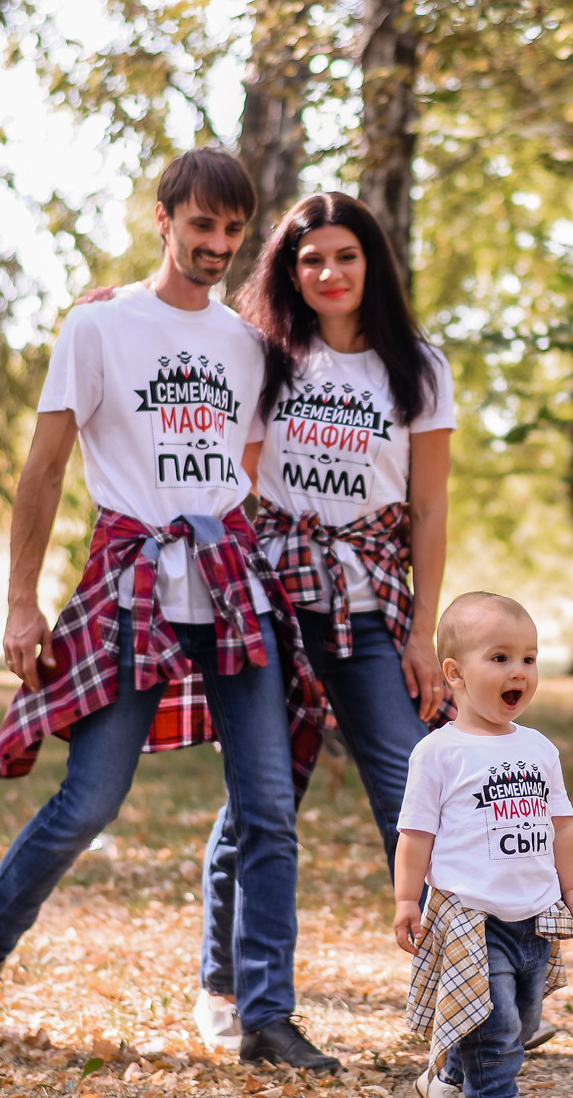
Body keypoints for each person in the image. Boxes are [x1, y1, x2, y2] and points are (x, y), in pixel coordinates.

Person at [0, 146, 341, 1073]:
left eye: (234, 231)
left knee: (269, 803)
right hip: (131, 581)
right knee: (90, 798)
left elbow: (250, 468)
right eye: (202, 225)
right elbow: (42, 469)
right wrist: (19, 602)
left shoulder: (245, 347)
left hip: (228, 581)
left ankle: (266, 1014)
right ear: (163, 219)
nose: (218, 244)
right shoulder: (99, 327)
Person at [195, 192, 456, 1052]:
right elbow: (173, 345)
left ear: (370, 263)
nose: (330, 273)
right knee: (264, 797)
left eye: (345, 256)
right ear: (291, 272)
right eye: (311, 260)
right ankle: (232, 988)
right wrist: (107, 307)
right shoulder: (265, 356)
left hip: (371, 595)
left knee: (416, 786)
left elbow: (430, 508)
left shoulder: (416, 366)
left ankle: (464, 996)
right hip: (272, 586)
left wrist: (421, 629)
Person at [393, 592, 573, 1098]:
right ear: (455, 674)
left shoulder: (539, 749)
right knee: (498, 1026)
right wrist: (404, 900)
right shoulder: (439, 753)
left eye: (529, 658)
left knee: (522, 1020)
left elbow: (561, 827)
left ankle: (445, 1079)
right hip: (471, 914)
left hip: (535, 912)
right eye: (499, 658)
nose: (519, 670)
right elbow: (415, 834)